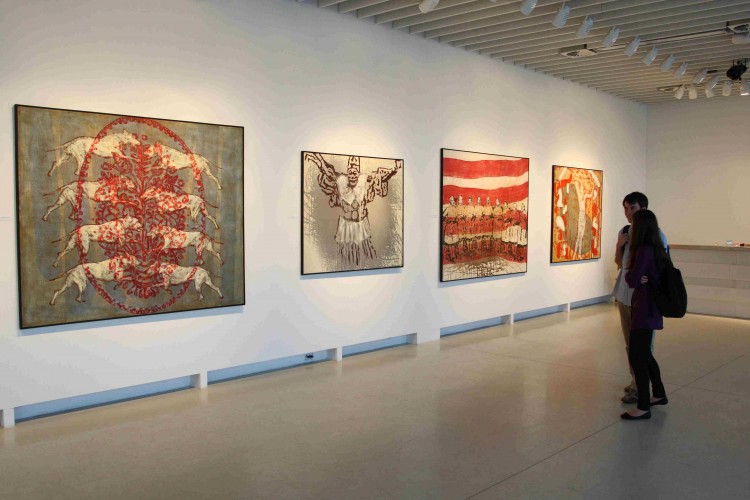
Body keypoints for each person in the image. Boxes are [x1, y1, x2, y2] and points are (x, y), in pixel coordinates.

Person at [612, 192, 668, 404]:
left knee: (643, 346)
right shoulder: (625, 232)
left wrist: (644, 278)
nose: (628, 213)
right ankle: (636, 380)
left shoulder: (655, 235)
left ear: (643, 209)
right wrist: (619, 245)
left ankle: (641, 388)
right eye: (625, 208)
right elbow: (619, 263)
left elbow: (662, 266)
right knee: (630, 344)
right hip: (624, 295)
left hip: (643, 299)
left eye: (632, 208)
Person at [306, 153, 402, 266]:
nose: (352, 175)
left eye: (355, 171)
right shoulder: (341, 181)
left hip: (361, 225)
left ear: (358, 172)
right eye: (350, 171)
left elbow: (381, 176)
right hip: (345, 226)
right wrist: (319, 161)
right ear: (347, 171)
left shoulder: (365, 181)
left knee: (365, 253)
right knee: (346, 255)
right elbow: (328, 172)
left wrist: (394, 169)